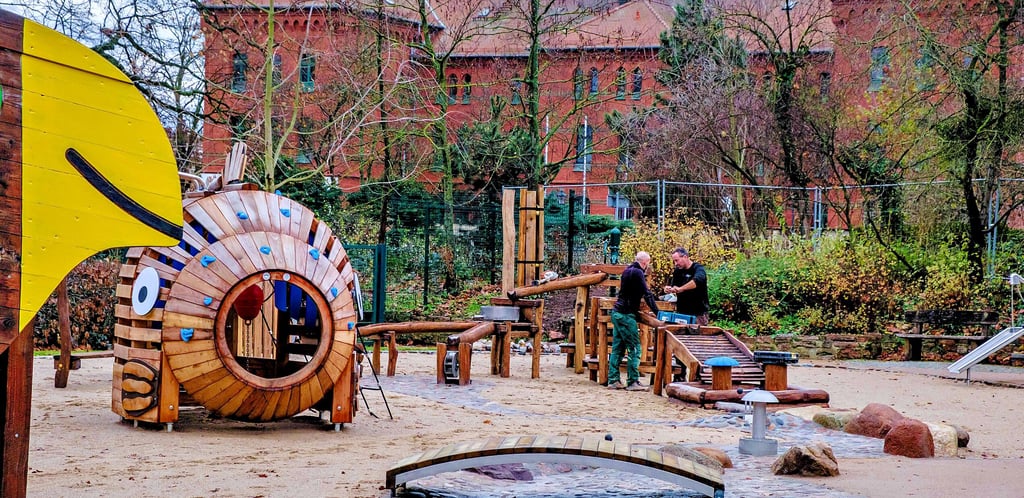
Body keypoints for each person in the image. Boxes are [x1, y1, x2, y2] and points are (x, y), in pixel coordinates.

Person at [608, 251, 660, 391]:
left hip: (617, 312)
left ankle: (613, 380)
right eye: (648, 263)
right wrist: (658, 313)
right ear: (645, 262)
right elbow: (646, 293)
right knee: (635, 348)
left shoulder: (626, 271)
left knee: (618, 348)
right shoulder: (637, 272)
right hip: (626, 314)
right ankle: (632, 381)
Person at [663, 247, 709, 326]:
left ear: (685, 257)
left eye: (677, 260)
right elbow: (674, 286)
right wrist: (668, 289)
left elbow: (696, 282)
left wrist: (681, 289)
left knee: (698, 337)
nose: (675, 263)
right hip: (682, 313)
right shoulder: (677, 271)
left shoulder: (698, 269)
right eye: (674, 261)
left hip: (698, 313)